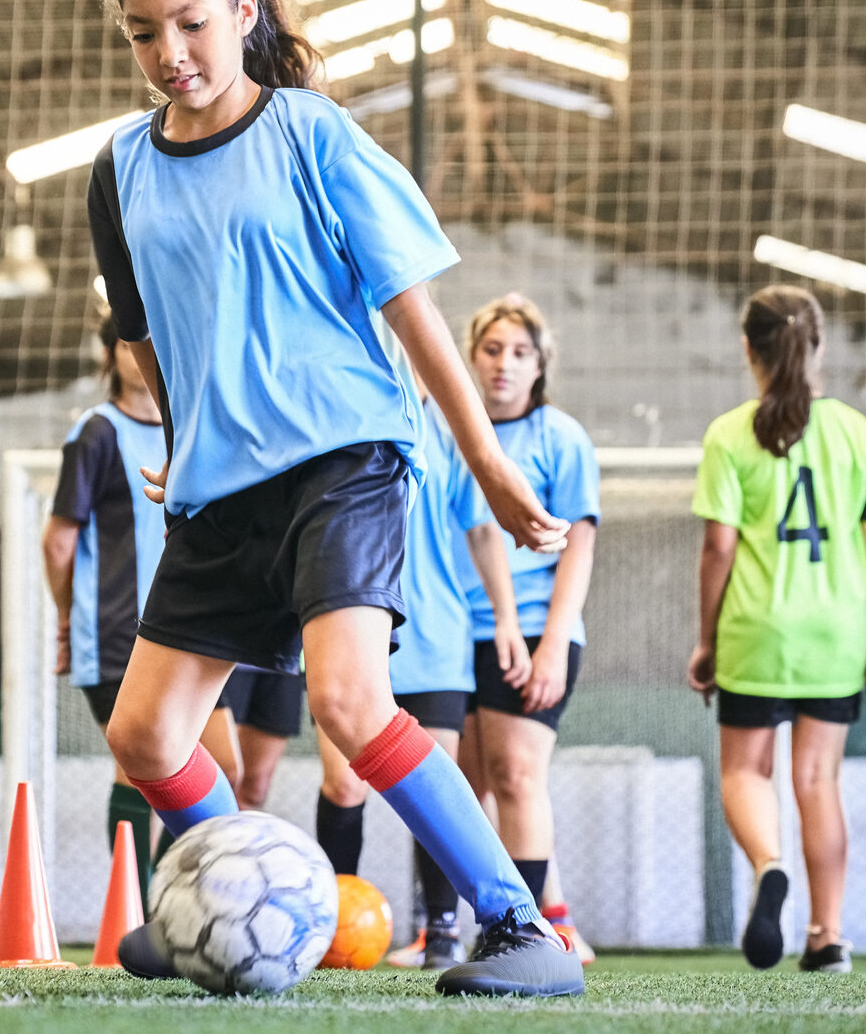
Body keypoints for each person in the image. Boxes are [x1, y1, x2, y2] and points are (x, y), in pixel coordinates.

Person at [87, 0, 582, 996]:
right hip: (219, 491)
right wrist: (185, 437)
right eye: (142, 33)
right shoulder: (119, 169)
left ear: (245, 11)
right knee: (144, 735)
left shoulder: (310, 133)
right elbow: (145, 334)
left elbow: (412, 310)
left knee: (350, 707)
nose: (169, 53)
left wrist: (489, 463)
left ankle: (522, 930)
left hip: (341, 459)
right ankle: (229, 890)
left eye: (191, 23)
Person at [685, 286, 866, 974]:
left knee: (746, 771)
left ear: (748, 349)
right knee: (817, 781)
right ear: (818, 347)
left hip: (758, 628)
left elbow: (717, 550)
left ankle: (768, 864)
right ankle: (827, 934)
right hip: (834, 633)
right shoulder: (856, 433)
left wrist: (707, 640)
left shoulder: (727, 434)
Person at [311, 391, 526, 971]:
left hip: (434, 639)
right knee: (344, 785)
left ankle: (442, 930)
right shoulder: (336, 405)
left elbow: (482, 531)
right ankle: (331, 926)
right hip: (348, 627)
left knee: (428, 786)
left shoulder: (449, 432)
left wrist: (506, 618)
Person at [43, 316, 246, 905]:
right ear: (111, 354)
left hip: (192, 625)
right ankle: (136, 907)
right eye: (134, 342)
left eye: (159, 339)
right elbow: (58, 541)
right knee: (139, 767)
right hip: (115, 633)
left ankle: (162, 893)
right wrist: (66, 616)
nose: (146, 352)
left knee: (223, 767)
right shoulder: (97, 433)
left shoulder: (191, 428)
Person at [448, 295, 601, 962]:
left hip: (535, 629)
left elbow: (578, 547)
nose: (503, 365)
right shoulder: (448, 429)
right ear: (471, 356)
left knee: (515, 776)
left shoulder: (559, 438)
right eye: (491, 350)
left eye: (519, 353)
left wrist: (551, 648)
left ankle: (529, 936)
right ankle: (458, 927)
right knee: (464, 787)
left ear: (539, 366)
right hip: (453, 632)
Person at [218, 665, 304, 809]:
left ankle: (239, 831)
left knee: (255, 790)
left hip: (286, 663)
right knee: (223, 780)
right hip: (227, 657)